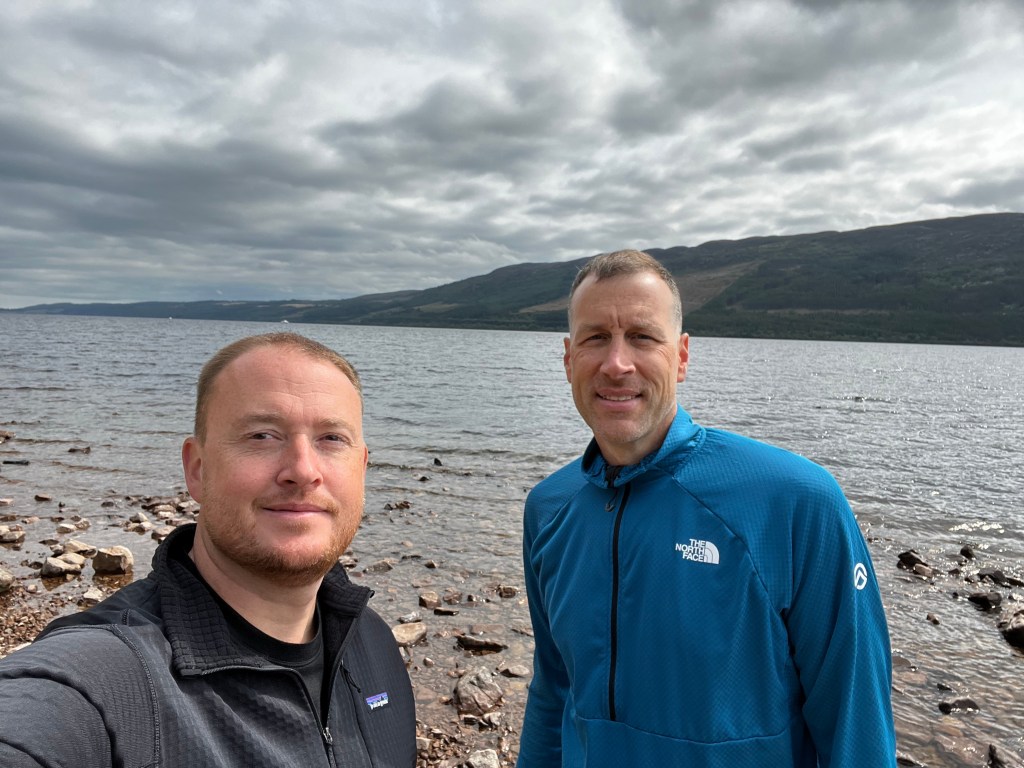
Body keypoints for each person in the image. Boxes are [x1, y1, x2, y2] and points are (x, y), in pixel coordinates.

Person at [517, 251, 896, 767]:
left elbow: (856, 720)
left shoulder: (795, 501)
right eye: (595, 338)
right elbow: (553, 691)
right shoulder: (548, 508)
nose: (616, 363)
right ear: (568, 359)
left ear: (681, 356)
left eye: (642, 337)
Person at [0, 332, 416, 767]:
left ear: (362, 467)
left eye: (331, 438)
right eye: (262, 435)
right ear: (197, 469)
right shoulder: (108, 676)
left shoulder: (371, 641)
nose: (303, 470)